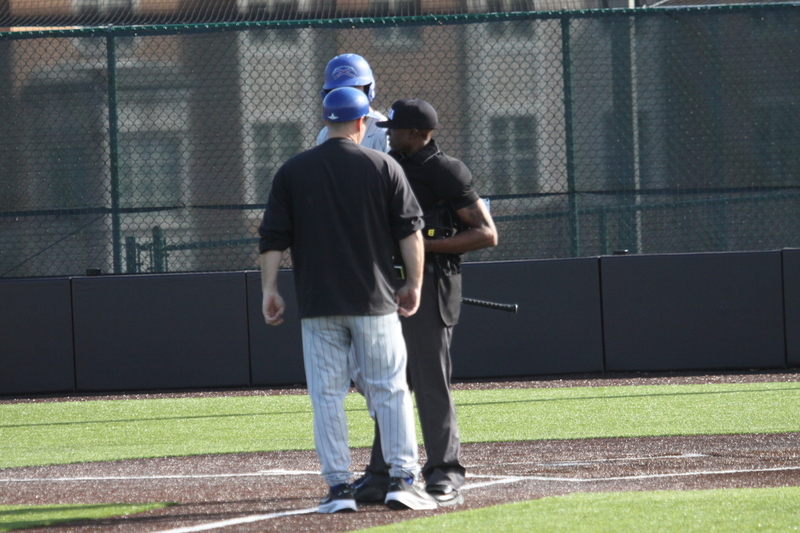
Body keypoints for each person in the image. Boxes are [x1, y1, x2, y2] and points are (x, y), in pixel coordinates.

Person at [258, 87, 438, 514]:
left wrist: (269, 289)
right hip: (374, 302)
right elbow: (411, 232)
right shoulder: (384, 165)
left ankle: (339, 488)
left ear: (326, 120)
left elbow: (272, 238)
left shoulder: (293, 170)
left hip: (318, 303)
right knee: (390, 389)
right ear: (362, 122)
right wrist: (414, 283)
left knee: (326, 396)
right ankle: (402, 480)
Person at [353, 98, 499, 507]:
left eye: (396, 128)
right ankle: (381, 473)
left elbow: (487, 234)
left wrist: (422, 247)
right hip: (388, 286)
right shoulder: (388, 166)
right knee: (389, 382)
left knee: (429, 382)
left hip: (431, 285)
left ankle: (444, 472)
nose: (389, 134)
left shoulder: (445, 170)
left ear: (418, 133)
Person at [316, 53, 389, 152]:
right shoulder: (325, 133)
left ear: (368, 90)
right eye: (339, 89)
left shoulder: (383, 132)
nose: (346, 95)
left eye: (353, 88)